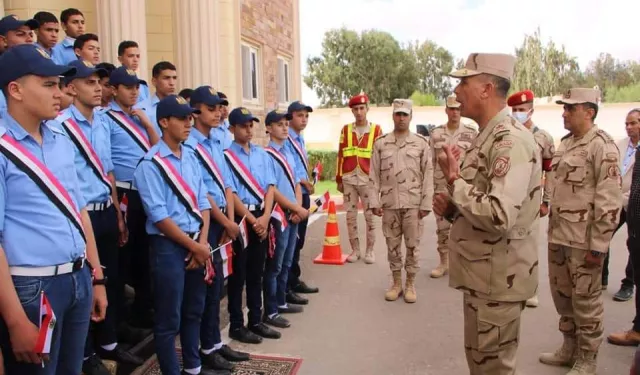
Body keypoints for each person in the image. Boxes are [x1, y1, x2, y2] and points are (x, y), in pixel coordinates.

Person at [0, 43, 107, 375]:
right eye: (47, 84)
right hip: (33, 287)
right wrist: (16, 320)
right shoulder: (3, 147)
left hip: (77, 276)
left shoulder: (60, 137)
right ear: (15, 90)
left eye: (59, 84)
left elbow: (79, 210)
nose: (59, 93)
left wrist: (96, 275)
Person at [434, 52, 541, 374]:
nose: (456, 93)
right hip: (485, 276)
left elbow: (500, 215)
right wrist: (454, 211)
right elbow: (487, 207)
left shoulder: (510, 141)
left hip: (498, 279)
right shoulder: (489, 136)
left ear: (486, 89)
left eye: (463, 83)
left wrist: (455, 181)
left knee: (493, 368)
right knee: (482, 364)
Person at [55, 60, 144, 374]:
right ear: (71, 87)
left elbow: (108, 170)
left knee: (112, 279)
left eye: (99, 82)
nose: (97, 88)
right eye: (89, 82)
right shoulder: (61, 125)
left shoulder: (103, 122)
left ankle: (109, 344)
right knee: (88, 282)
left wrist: (118, 213)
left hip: (106, 210)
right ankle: (86, 354)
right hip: (81, 218)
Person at [539, 88, 622, 375]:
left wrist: (599, 246)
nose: (564, 113)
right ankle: (569, 348)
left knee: (586, 302)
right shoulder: (566, 144)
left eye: (570, 109)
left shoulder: (603, 146)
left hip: (584, 242)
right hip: (559, 237)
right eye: (564, 108)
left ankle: (587, 359)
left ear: (589, 111)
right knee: (563, 297)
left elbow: (609, 201)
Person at [133, 94, 214, 375]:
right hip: (169, 247)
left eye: (190, 117)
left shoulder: (190, 156)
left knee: (194, 311)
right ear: (164, 122)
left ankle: (193, 367)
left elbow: (203, 202)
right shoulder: (150, 165)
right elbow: (160, 218)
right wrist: (195, 246)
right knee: (169, 319)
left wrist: (201, 244)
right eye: (182, 118)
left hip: (196, 242)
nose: (189, 123)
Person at [185, 86, 250, 373]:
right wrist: (225, 223)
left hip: (224, 219)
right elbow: (201, 192)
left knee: (216, 286)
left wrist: (232, 220)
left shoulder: (214, 142)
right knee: (205, 287)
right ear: (196, 110)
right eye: (211, 108)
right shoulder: (190, 145)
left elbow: (227, 184)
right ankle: (204, 348)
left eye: (219, 108)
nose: (218, 112)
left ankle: (213, 342)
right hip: (206, 223)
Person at [103, 66, 161, 332]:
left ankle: (142, 310)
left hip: (144, 191)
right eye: (128, 88)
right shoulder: (106, 118)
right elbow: (106, 164)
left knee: (143, 255)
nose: (134, 92)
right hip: (124, 191)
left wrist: (147, 123)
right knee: (124, 257)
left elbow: (157, 148)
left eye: (137, 87)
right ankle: (121, 322)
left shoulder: (141, 116)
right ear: (114, 90)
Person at [224, 107, 279, 343]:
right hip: (242, 217)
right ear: (232, 128)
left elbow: (270, 187)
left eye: (250, 125)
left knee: (258, 271)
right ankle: (237, 324)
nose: (248, 129)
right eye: (243, 125)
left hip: (262, 215)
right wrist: (253, 218)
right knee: (239, 275)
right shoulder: (227, 156)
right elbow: (231, 193)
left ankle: (256, 320)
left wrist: (266, 216)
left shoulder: (261, 154)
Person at [369, 99, 433, 303]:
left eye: (405, 114)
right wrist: (374, 201)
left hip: (413, 204)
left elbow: (428, 174)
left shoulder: (421, 144)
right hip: (390, 204)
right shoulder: (381, 143)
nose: (402, 118)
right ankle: (396, 283)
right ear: (393, 116)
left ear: (411, 116)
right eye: (398, 114)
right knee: (392, 245)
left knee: (413, 246)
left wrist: (426, 203)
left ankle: (410, 283)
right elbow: (373, 175)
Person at [507, 89, 555, 308]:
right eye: (515, 110)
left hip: (532, 199)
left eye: (522, 110)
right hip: (509, 197)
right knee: (508, 244)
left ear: (531, 111)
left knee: (529, 245)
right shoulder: (507, 134)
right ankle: (510, 286)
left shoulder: (543, 138)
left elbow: (550, 172)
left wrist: (547, 201)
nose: (518, 113)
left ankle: (530, 289)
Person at [263, 110, 310, 329]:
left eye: (285, 124)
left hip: (293, 212)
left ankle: (281, 301)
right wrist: (293, 208)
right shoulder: (267, 155)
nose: (284, 127)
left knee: (287, 261)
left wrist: (299, 207)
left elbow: (296, 183)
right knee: (276, 264)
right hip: (280, 214)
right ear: (268, 128)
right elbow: (273, 189)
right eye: (278, 124)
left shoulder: (288, 153)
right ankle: (271, 310)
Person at [428, 94, 477, 279]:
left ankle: (464, 263)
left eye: (458, 108)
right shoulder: (436, 133)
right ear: (446, 110)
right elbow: (430, 162)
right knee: (442, 227)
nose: (455, 112)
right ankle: (444, 262)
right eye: (451, 108)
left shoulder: (472, 133)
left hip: (463, 187)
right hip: (441, 186)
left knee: (465, 225)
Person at [336, 91, 383, 264]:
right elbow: (340, 155)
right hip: (349, 179)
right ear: (352, 111)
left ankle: (370, 251)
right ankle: (355, 250)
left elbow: (380, 157)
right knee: (350, 216)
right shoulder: (346, 130)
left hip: (368, 180)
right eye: (355, 109)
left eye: (362, 108)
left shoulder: (376, 130)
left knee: (370, 216)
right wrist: (339, 178)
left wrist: (379, 182)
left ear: (367, 109)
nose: (359, 112)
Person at [608, 109, 640, 347]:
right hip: (620, 203)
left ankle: (628, 284)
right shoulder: (621, 146)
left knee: (635, 253)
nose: (629, 127)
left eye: (634, 123)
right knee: (603, 236)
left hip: (634, 208)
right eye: (627, 123)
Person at [285, 100, 319, 306]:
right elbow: (289, 169)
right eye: (300, 115)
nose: (304, 119)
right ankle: (287, 285)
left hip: (303, 192)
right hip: (292, 194)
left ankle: (294, 279)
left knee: (299, 240)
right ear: (290, 118)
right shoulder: (287, 138)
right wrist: (303, 181)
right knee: (292, 241)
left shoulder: (300, 138)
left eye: (306, 116)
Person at [0, 15, 39, 118]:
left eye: (31, 34)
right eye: (21, 34)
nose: (29, 39)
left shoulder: (36, 68)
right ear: (3, 41)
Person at [136, 61, 177, 128]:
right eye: (166, 78)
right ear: (154, 81)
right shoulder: (141, 110)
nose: (172, 83)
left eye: (174, 78)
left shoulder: (181, 107)